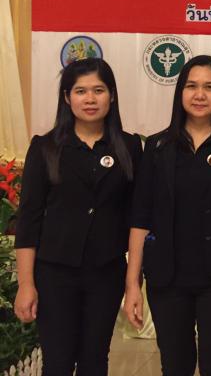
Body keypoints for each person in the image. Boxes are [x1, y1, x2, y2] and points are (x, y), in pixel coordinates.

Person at [124, 55, 211, 376]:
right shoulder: (157, 146)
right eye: (192, 86)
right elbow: (140, 218)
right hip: (167, 278)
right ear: (180, 93)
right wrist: (132, 283)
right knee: (175, 365)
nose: (200, 95)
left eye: (209, 87)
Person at [14, 58, 141, 376]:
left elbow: (137, 217)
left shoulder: (128, 147)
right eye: (80, 91)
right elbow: (28, 220)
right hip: (54, 273)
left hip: (106, 272)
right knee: (57, 363)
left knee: (95, 361)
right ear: (67, 97)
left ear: (111, 95)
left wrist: (133, 282)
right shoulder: (45, 147)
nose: (90, 99)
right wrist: (26, 284)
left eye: (98, 90)